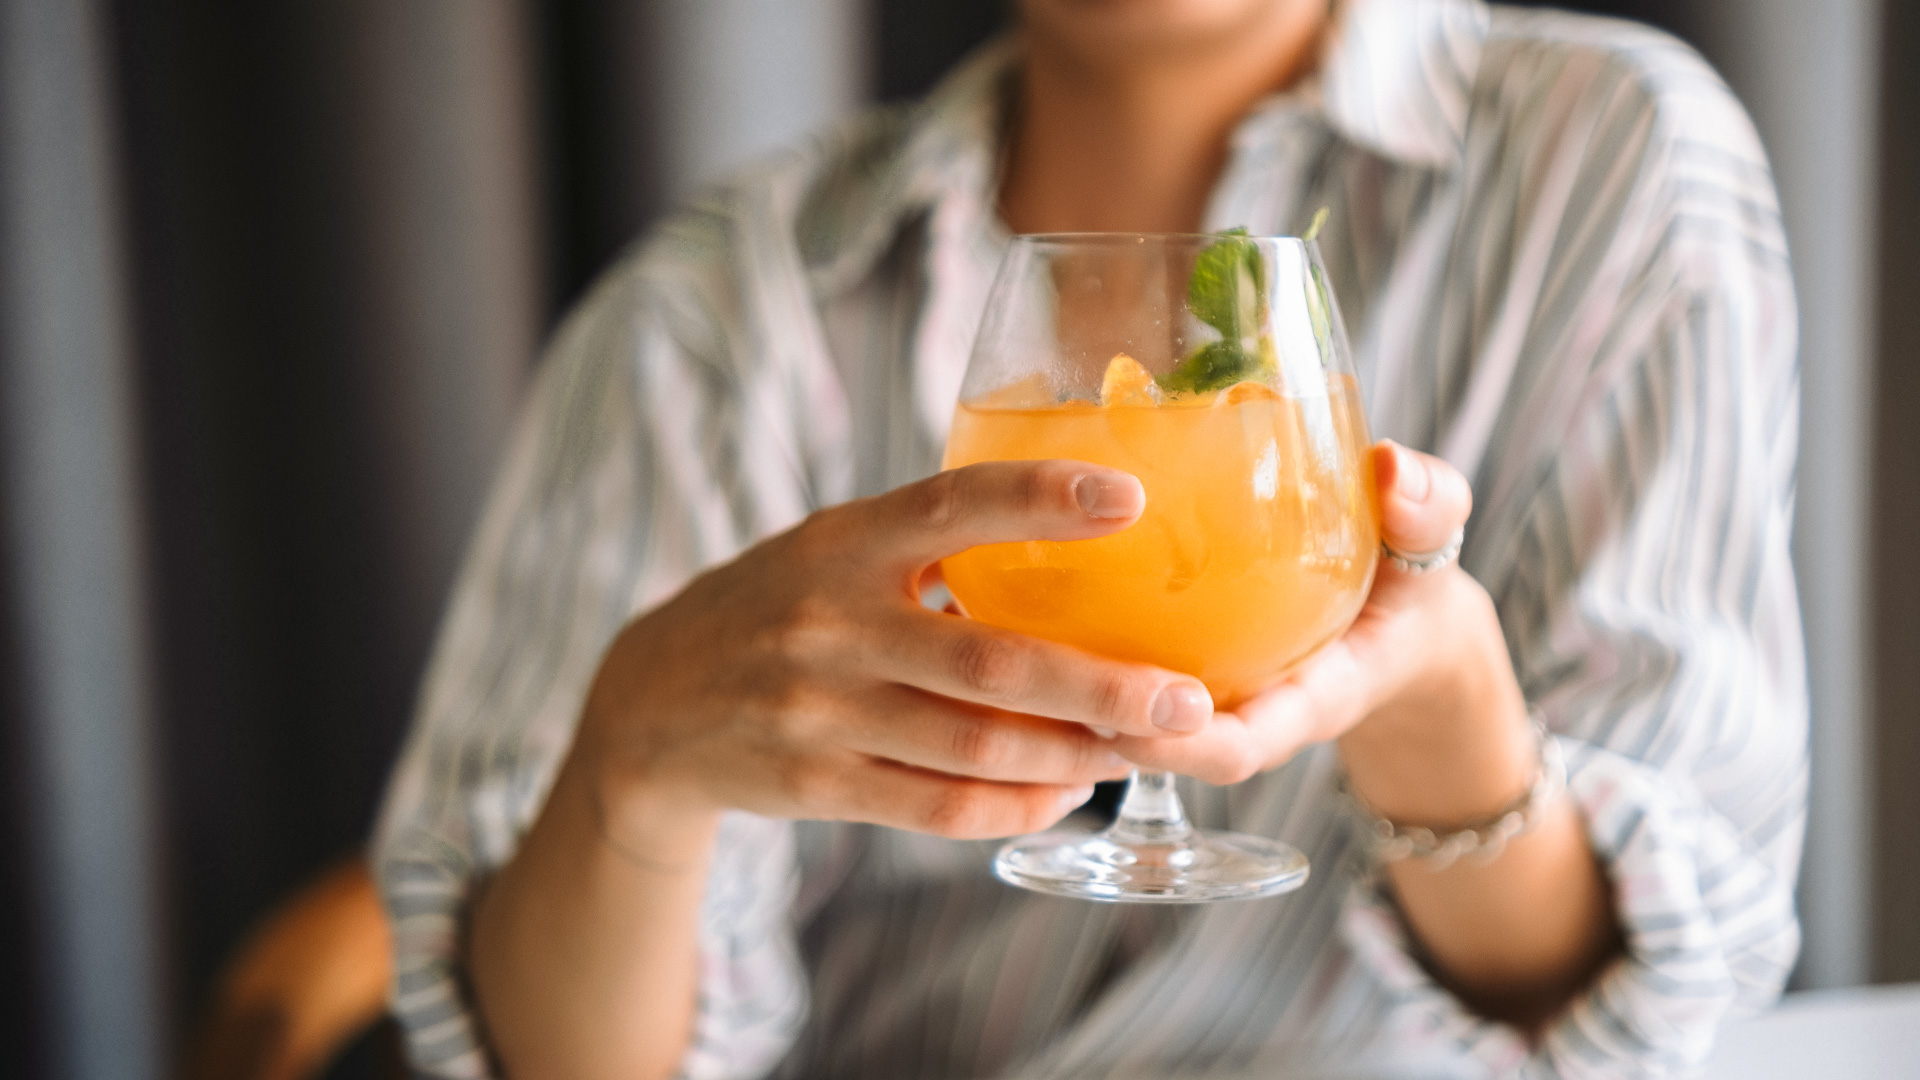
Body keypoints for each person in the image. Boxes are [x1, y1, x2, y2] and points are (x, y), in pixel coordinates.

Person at [372, 0, 1807, 1076]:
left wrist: (1442, 715)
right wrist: (633, 760)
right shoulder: (719, 310)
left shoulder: (1607, 154)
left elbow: (1661, 1007)